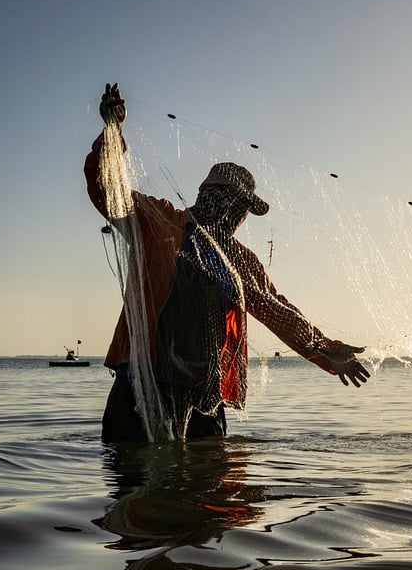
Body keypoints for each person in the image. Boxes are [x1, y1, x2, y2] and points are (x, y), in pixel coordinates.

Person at [86, 83, 370, 441]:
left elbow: (278, 311)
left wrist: (326, 350)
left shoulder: (239, 259)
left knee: (216, 492)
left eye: (244, 211)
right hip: (141, 391)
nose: (239, 216)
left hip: (205, 400)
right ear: (210, 195)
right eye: (236, 205)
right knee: (139, 489)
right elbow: (106, 189)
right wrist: (112, 133)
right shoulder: (158, 221)